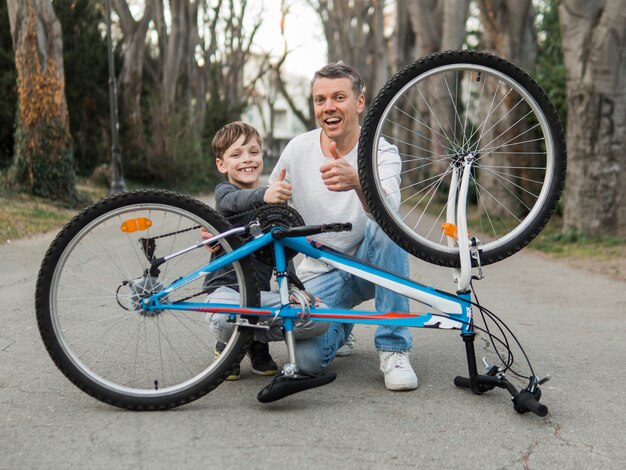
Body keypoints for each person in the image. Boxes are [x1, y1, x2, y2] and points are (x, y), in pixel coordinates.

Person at [268, 62, 418, 391]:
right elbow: (270, 211)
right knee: (306, 361)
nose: (329, 107)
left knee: (388, 223)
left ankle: (394, 348)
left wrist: (360, 183)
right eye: (320, 100)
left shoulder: (381, 152)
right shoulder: (297, 150)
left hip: (370, 262)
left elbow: (390, 214)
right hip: (322, 269)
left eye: (339, 97)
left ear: (359, 103)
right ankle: (340, 323)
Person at [204, 121, 327, 379]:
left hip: (258, 296)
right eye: (236, 155)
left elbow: (285, 252)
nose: (246, 159)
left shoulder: (271, 204)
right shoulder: (225, 194)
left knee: (321, 316)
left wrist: (296, 290)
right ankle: (229, 346)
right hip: (227, 293)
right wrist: (265, 195)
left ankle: (256, 340)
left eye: (253, 152)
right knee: (226, 316)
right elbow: (235, 201)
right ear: (222, 165)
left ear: (262, 155)